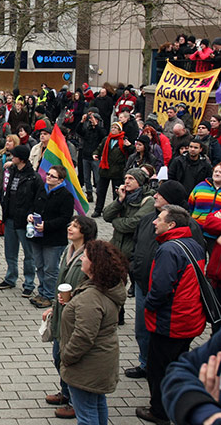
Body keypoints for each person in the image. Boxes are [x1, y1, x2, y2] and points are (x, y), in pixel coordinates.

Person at [126, 180, 205, 382]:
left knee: (162, 338)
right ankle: (146, 363)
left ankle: (161, 373)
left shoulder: (190, 227)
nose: (154, 196)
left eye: (159, 194)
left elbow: (194, 258)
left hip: (169, 294)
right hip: (144, 285)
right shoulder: (147, 220)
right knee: (142, 330)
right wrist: (134, 267)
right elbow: (136, 245)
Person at [140, 205, 208, 424]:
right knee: (178, 364)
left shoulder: (169, 250)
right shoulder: (194, 245)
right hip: (190, 318)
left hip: (171, 320)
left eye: (159, 219)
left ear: (171, 225)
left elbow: (161, 288)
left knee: (158, 368)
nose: (153, 221)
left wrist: (148, 305)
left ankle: (159, 412)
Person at [58, 240, 127, 425]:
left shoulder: (91, 297)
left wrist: (67, 356)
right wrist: (72, 303)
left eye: (86, 257)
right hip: (101, 360)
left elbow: (84, 335)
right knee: (97, 404)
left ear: (95, 265)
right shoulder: (105, 287)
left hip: (87, 365)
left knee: (87, 415)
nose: (81, 258)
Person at [42, 216, 98, 420]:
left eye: (75, 226)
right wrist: (53, 307)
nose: (70, 228)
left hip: (77, 314)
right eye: (71, 224)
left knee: (67, 357)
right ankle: (65, 392)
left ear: (85, 231)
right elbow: (62, 281)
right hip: (62, 311)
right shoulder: (69, 250)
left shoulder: (90, 254)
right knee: (58, 356)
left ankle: (75, 401)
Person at [0, 146, 43, 297]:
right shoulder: (12, 172)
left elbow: (38, 200)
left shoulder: (34, 177)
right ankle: (11, 278)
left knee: (29, 254)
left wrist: (31, 214)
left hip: (25, 221)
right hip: (10, 218)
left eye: (14, 156)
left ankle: (29, 283)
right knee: (10, 252)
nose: (11, 158)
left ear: (21, 158)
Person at [27, 165, 75, 308]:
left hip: (54, 238)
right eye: (48, 174)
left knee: (50, 269)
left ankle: (49, 295)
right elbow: (33, 205)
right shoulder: (42, 189)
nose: (48, 177)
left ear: (60, 180)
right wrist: (30, 214)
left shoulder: (65, 195)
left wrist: (46, 225)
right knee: (39, 266)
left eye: (52, 176)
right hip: (37, 235)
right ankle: (42, 291)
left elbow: (65, 218)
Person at [92, 122, 132, 217]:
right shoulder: (106, 139)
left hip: (117, 170)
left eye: (115, 128)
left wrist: (129, 146)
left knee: (116, 192)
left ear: (119, 130)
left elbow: (131, 151)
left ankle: (115, 210)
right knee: (101, 191)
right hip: (105, 169)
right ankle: (98, 209)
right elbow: (99, 148)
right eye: (112, 127)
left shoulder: (123, 140)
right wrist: (95, 153)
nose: (113, 129)